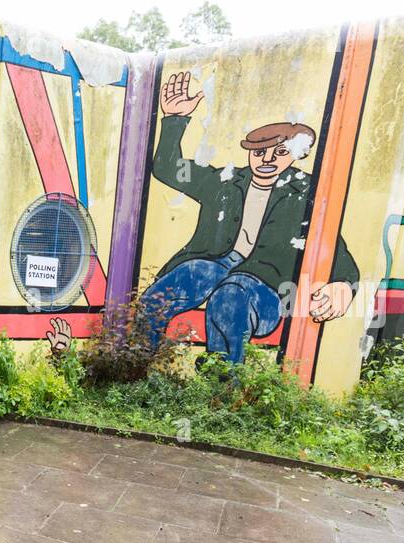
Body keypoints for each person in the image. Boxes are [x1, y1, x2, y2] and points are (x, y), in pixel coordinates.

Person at [140, 71, 359, 362]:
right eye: (260, 152)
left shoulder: (305, 195)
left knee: (230, 299)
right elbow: (168, 168)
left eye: (279, 152)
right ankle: (134, 366)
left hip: (263, 284)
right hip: (215, 265)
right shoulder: (224, 182)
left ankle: (224, 384)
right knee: (161, 295)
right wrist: (175, 119)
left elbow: (333, 245)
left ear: (296, 154)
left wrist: (343, 284)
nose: (267, 160)